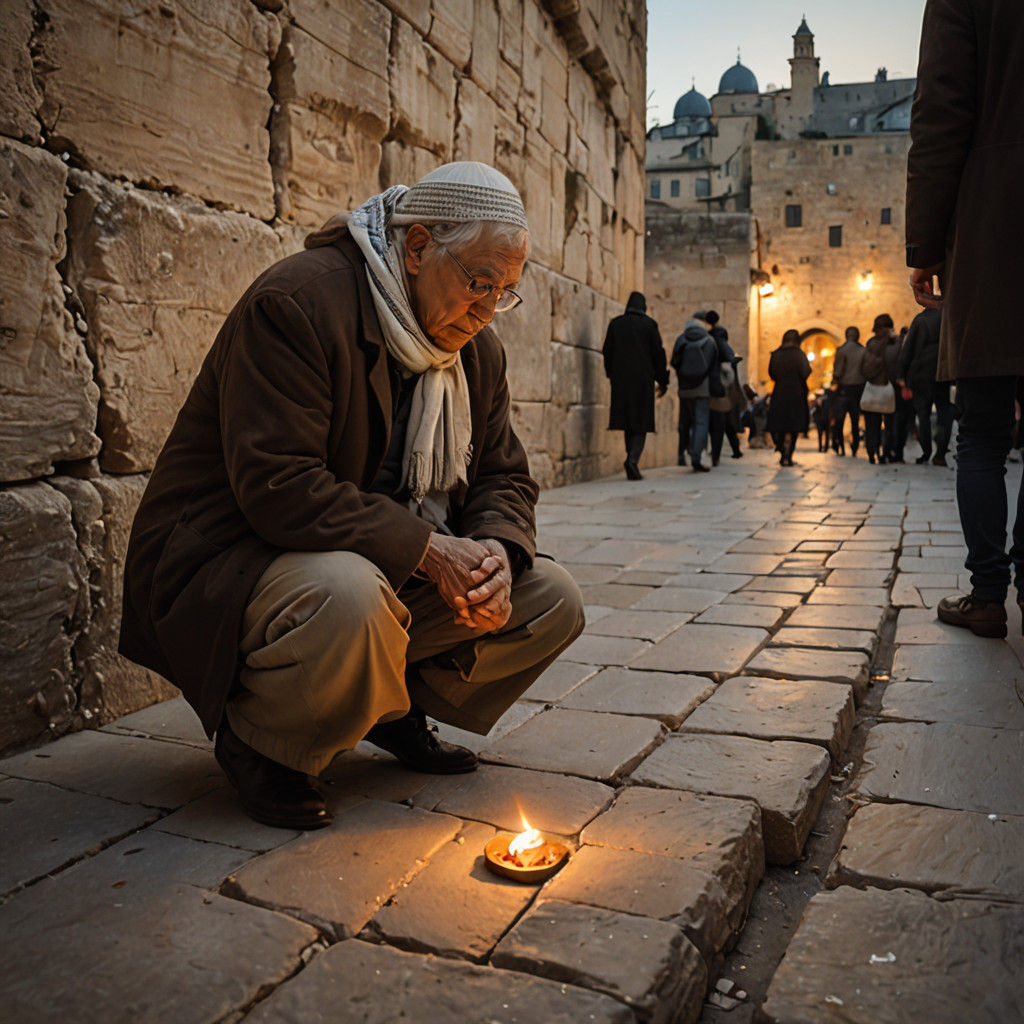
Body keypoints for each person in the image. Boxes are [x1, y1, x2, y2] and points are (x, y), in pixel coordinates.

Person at [118, 162, 586, 829]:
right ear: (418, 247)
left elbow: (504, 476)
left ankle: (388, 710)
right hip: (239, 556)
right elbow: (279, 484)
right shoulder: (300, 304)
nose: (486, 312)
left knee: (550, 599)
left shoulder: (476, 352)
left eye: (505, 292)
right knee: (352, 596)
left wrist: (495, 555)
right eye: (479, 283)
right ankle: (262, 743)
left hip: (379, 562)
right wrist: (429, 551)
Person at [907, 0, 1023, 639]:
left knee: (980, 431)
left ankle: (987, 595)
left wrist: (924, 247)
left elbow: (940, 117)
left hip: (993, 224)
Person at [602, 291, 669, 480]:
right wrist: (662, 380)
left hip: (621, 381)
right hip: (643, 381)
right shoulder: (649, 325)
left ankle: (631, 458)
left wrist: (611, 374)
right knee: (641, 422)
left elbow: (607, 351)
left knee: (628, 421)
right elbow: (659, 354)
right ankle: (632, 459)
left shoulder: (616, 324)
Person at [898, 308, 953, 465]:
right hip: (943, 371)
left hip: (921, 373)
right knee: (944, 412)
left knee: (923, 415)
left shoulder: (921, 319)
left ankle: (926, 452)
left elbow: (907, 350)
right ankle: (940, 453)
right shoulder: (948, 316)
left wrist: (902, 376)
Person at [671, 318, 718, 472]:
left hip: (684, 389)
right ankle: (696, 456)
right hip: (702, 388)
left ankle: (685, 451)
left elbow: (674, 362)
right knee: (701, 423)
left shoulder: (681, 339)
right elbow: (713, 366)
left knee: (686, 422)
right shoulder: (709, 341)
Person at [767, 329, 811, 466]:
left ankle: (781, 449)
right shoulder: (800, 355)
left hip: (779, 392)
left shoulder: (776, 354)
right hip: (796, 393)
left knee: (779, 423)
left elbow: (772, 374)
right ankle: (789, 456)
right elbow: (805, 372)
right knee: (793, 427)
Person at [705, 310, 744, 463]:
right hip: (724, 390)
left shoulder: (709, 342)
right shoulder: (725, 346)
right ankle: (733, 451)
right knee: (727, 425)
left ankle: (716, 455)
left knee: (717, 425)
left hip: (713, 389)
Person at [860, 315, 896, 464]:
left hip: (873, 388)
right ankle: (886, 452)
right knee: (889, 424)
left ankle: (871, 452)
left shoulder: (870, 344)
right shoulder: (894, 343)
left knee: (871, 425)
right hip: (889, 389)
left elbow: (864, 368)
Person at [831, 326, 867, 456]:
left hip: (843, 389)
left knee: (839, 420)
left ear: (846, 335)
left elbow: (837, 372)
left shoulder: (841, 351)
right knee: (854, 420)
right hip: (858, 389)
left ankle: (839, 446)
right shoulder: (863, 350)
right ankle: (855, 446)